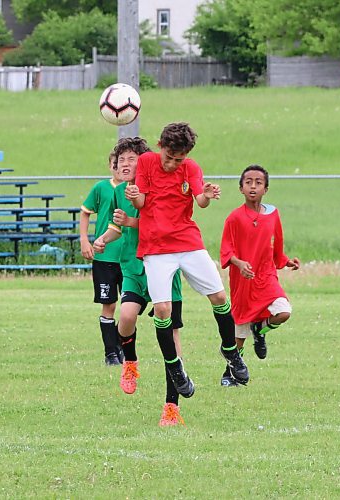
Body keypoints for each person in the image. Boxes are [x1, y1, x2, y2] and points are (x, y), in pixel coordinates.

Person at [125, 122, 249, 395]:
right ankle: (175, 367)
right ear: (160, 147)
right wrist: (134, 195)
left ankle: (231, 352)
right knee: (162, 310)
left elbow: (200, 201)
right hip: (156, 248)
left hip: (188, 242)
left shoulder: (190, 167)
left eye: (178, 159)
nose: (172, 164)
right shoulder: (146, 162)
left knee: (219, 297)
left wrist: (206, 194)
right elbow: (141, 204)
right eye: (169, 157)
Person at [94, 137, 185, 426]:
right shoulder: (119, 192)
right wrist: (103, 239)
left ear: (145, 164)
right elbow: (116, 227)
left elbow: (164, 224)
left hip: (164, 266)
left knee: (171, 338)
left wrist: (131, 222)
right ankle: (130, 362)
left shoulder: (159, 188)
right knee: (126, 315)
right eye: (121, 160)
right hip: (134, 267)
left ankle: (172, 406)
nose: (125, 164)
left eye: (131, 159)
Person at [220, 164, 300, 386]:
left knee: (283, 312)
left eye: (258, 182)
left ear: (266, 188)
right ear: (241, 188)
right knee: (240, 332)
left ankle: (260, 329)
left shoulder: (273, 214)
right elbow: (226, 250)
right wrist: (239, 263)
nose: (253, 186)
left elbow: (278, 247)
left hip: (266, 277)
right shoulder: (234, 218)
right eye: (248, 182)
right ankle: (231, 373)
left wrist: (286, 261)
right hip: (243, 281)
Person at [80, 151, 124, 366]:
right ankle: (111, 353)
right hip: (105, 256)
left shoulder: (135, 191)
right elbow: (86, 212)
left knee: (131, 307)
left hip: (129, 257)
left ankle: (120, 346)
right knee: (110, 306)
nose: (119, 167)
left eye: (123, 162)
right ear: (110, 166)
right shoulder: (101, 188)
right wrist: (84, 240)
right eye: (115, 163)